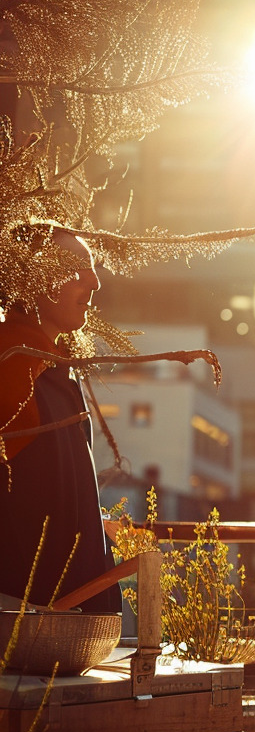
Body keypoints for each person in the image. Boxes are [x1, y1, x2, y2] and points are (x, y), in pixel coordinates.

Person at [0, 227, 120, 612]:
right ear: (32, 276)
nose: (95, 282)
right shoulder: (12, 365)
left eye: (93, 267)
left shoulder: (56, 368)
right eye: (77, 268)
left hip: (65, 614)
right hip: (27, 616)